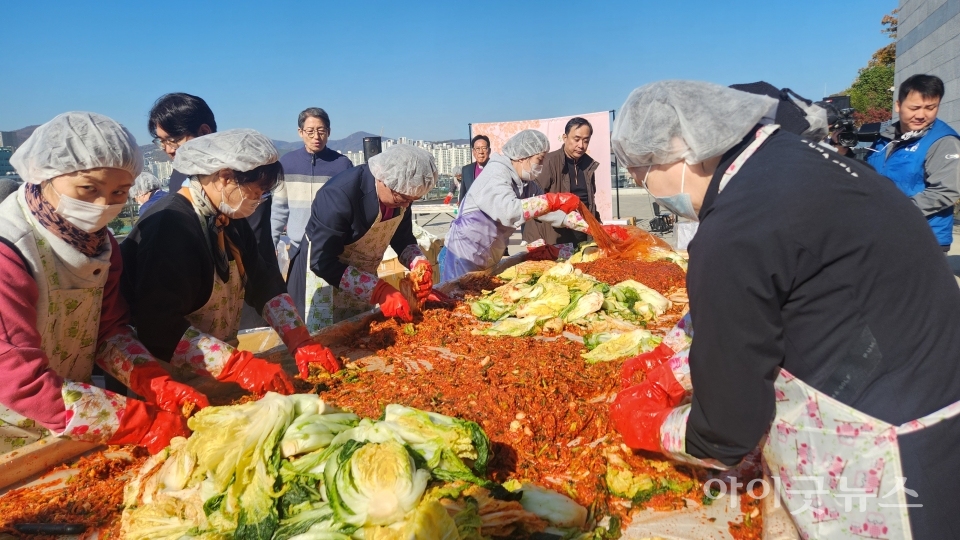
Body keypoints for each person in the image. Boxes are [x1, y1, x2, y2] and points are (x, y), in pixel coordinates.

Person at [608, 80, 960, 538]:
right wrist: (673, 360)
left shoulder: (734, 229)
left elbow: (727, 431)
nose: (645, 189)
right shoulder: (802, 164)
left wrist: (654, 427)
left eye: (641, 175)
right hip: (937, 397)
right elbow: (774, 287)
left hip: (885, 451)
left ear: (679, 152)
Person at [0, 112, 209, 455]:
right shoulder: (10, 249)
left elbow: (108, 331)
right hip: (11, 426)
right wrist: (139, 421)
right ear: (47, 174)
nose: (102, 204)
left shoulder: (102, 245)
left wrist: (154, 380)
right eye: (88, 189)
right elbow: (18, 378)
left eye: (119, 192)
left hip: (74, 415)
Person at [120, 129, 342, 394]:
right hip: (168, 378)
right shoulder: (169, 225)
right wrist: (238, 366)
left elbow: (262, 281)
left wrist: (299, 339)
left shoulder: (229, 218)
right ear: (224, 178)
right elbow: (158, 323)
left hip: (217, 370)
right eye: (256, 192)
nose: (258, 201)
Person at [286, 145, 440, 331]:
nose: (406, 205)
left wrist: (418, 263)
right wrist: (378, 290)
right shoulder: (338, 195)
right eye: (402, 199)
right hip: (327, 280)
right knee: (330, 337)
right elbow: (322, 261)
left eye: (412, 200)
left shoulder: (401, 193)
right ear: (384, 179)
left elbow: (402, 238)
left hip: (365, 278)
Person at [440, 129, 588, 282]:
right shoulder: (496, 172)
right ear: (522, 157)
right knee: (457, 298)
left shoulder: (526, 184)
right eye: (539, 159)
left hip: (486, 256)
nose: (541, 165)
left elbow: (547, 210)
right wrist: (552, 200)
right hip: (461, 255)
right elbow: (509, 211)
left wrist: (586, 225)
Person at [866, 74, 960, 251]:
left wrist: (896, 211)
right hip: (883, 232)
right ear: (898, 106)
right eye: (914, 107)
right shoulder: (884, 138)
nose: (921, 115)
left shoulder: (943, 141)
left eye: (930, 108)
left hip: (922, 239)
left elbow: (945, 191)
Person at [269, 108, 352, 250]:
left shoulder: (342, 165)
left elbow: (352, 208)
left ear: (329, 132)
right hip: (297, 246)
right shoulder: (287, 163)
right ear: (300, 132)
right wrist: (271, 245)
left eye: (321, 131)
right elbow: (279, 209)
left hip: (333, 246)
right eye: (310, 131)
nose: (316, 137)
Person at [523, 117, 599, 247]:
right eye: (576, 139)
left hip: (581, 233)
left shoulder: (588, 165)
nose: (581, 145)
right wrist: (535, 239)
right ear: (565, 138)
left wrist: (598, 227)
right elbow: (533, 202)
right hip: (553, 236)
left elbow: (590, 202)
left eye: (586, 141)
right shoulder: (548, 162)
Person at [148, 93, 217, 192]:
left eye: (174, 140)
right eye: (162, 141)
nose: (169, 150)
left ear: (204, 132)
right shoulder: (178, 175)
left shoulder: (237, 174)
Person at [459, 135, 490, 202]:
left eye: (484, 148)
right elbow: (463, 195)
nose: (481, 152)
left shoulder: (497, 168)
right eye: (478, 149)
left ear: (489, 150)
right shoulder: (466, 170)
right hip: (472, 211)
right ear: (473, 152)